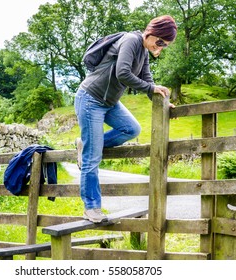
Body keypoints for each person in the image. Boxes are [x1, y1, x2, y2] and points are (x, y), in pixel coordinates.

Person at [74, 15, 178, 223]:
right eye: (160, 42)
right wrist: (150, 88)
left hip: (110, 102)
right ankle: (91, 208)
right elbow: (123, 73)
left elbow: (147, 79)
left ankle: (84, 144)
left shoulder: (144, 52)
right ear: (151, 33)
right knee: (92, 159)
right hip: (90, 99)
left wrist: (161, 100)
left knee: (131, 129)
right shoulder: (131, 40)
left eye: (164, 46)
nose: (160, 48)